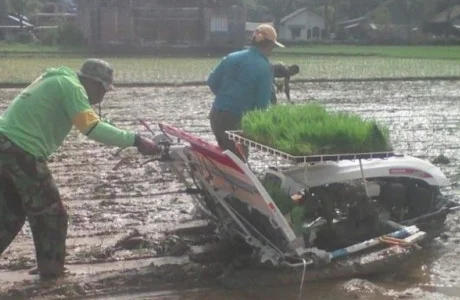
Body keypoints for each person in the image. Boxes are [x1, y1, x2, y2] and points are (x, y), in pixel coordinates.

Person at [0, 59, 160, 279]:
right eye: (104, 90)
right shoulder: (72, 88)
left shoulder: (57, 79)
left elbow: (92, 120)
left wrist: (129, 135)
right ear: (93, 83)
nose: (103, 97)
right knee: (52, 214)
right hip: (21, 151)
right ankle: (52, 273)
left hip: (5, 145)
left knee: (10, 213)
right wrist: (137, 140)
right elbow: (92, 128)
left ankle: (49, 267)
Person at [207, 24, 285, 161]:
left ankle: (220, 181)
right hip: (236, 123)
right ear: (270, 46)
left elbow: (211, 81)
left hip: (216, 116)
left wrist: (226, 98)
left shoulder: (231, 57)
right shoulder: (264, 68)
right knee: (239, 163)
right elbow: (261, 106)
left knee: (226, 157)